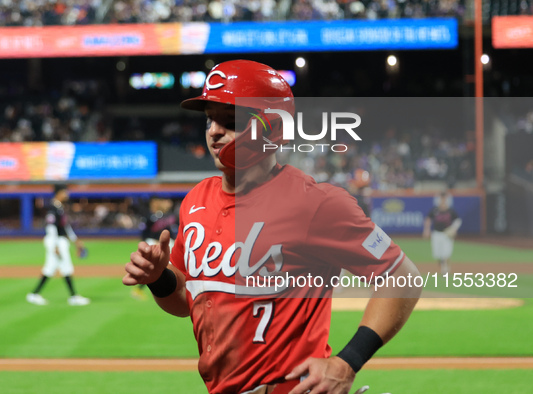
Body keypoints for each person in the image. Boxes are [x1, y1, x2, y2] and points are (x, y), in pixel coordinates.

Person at [123, 60, 421, 394]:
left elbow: (403, 276)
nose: (213, 131)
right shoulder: (196, 200)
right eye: (209, 118)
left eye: (230, 120)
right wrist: (158, 278)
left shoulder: (314, 203)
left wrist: (347, 361)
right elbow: (185, 300)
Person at [27, 184, 90, 306]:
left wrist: (75, 240)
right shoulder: (53, 208)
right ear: (59, 193)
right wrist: (55, 246)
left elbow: (65, 226)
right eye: (65, 192)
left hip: (59, 241)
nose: (67, 194)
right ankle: (73, 297)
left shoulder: (59, 207)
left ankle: (34, 294)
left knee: (50, 269)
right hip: (55, 241)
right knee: (65, 267)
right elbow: (51, 227)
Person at [131, 197, 178, 300]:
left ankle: (141, 289)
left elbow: (170, 231)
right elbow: (144, 232)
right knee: (153, 267)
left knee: (167, 265)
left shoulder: (167, 216)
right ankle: (139, 289)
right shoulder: (149, 217)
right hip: (152, 242)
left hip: (164, 242)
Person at [423, 191, 462, 276]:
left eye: (444, 199)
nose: (443, 201)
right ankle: (443, 267)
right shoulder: (435, 210)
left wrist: (453, 229)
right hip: (436, 234)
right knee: (438, 254)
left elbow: (458, 220)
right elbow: (428, 219)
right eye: (441, 199)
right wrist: (427, 230)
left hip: (446, 235)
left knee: (446, 253)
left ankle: (445, 269)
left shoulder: (451, 211)